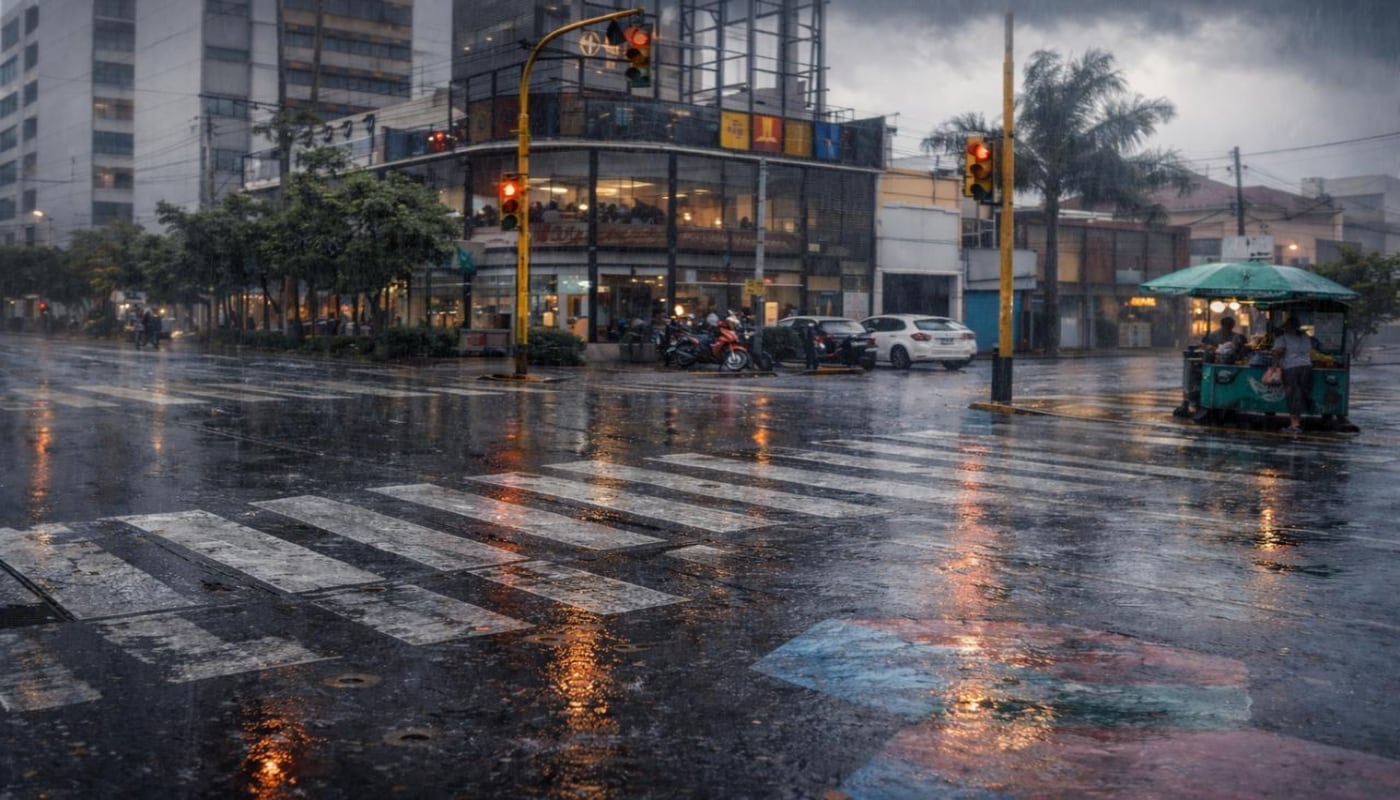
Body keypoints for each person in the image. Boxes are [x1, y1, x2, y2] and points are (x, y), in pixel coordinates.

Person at [1271, 316, 1313, 433]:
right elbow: (1310, 350)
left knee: (1293, 394)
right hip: (1307, 367)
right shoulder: (1305, 337)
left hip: (1291, 367)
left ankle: (1295, 424)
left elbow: (1277, 352)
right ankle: (1301, 419)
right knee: (1302, 392)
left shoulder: (1283, 338)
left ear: (1288, 327)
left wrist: (1274, 363)